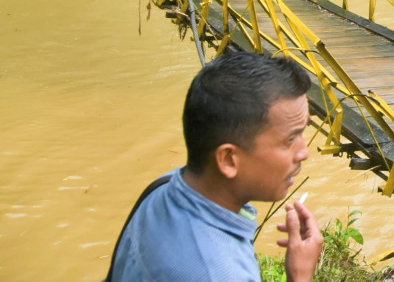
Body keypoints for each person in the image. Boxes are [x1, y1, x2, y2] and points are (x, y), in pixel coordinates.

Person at [109, 51, 324, 282]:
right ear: (229, 159)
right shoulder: (219, 274)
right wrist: (300, 276)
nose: (304, 152)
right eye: (291, 139)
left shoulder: (164, 188)